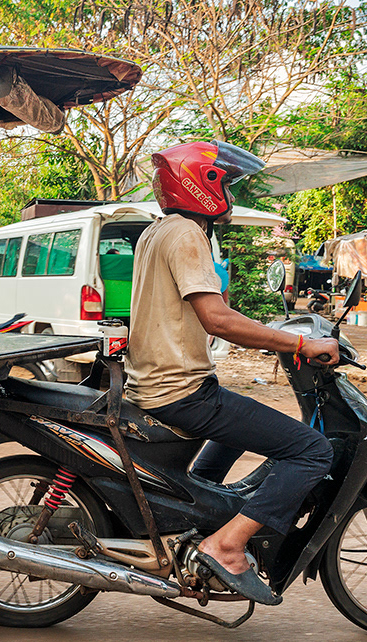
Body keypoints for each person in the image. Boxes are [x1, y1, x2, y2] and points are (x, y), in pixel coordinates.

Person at [126, 139, 339, 605]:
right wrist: (301, 342)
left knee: (242, 422)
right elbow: (217, 319)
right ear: (203, 185)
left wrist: (274, 334)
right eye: (227, 184)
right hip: (180, 390)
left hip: (163, 381)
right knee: (311, 451)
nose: (234, 195)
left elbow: (210, 309)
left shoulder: (158, 231)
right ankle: (226, 544)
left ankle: (200, 515)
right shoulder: (187, 234)